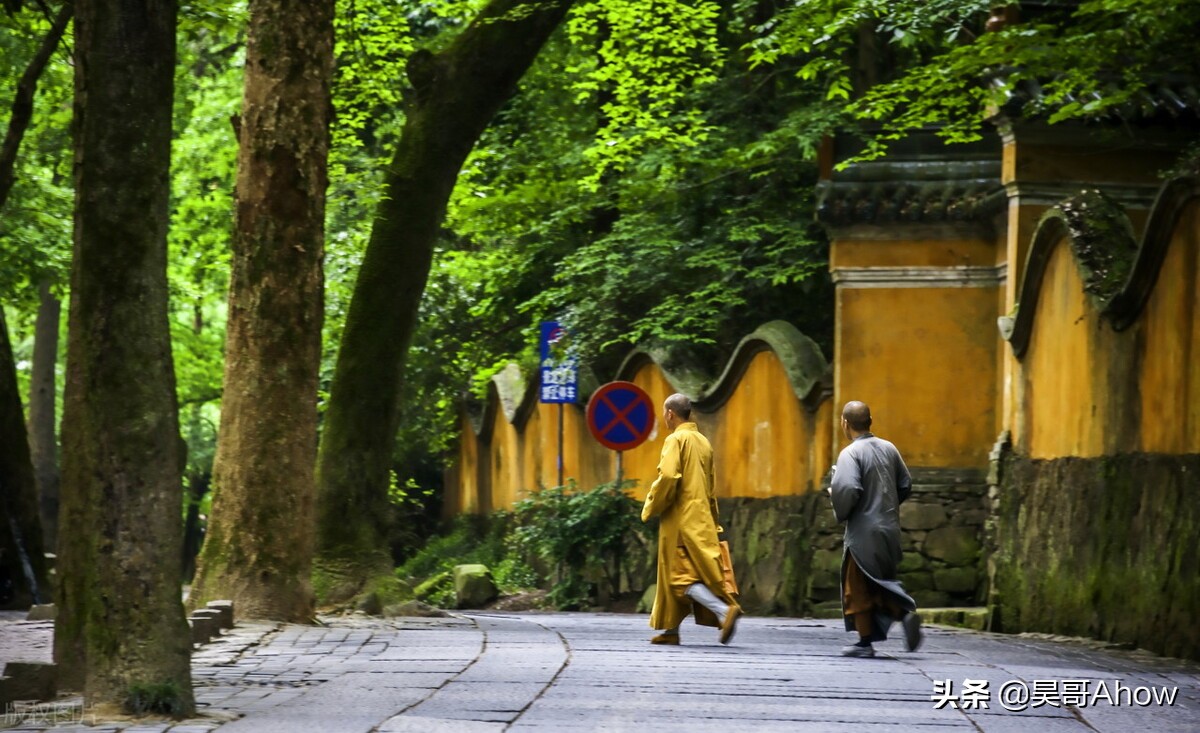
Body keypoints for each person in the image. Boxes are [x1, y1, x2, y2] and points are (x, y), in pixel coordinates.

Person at [640, 393, 741, 645]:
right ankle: (670, 631)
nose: (664, 417)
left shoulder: (675, 440)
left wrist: (651, 504)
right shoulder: (703, 441)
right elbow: (710, 486)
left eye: (664, 413)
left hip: (681, 520)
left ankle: (723, 611)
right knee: (689, 571)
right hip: (702, 517)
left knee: (678, 577)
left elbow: (668, 477)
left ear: (670, 414)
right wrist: (713, 519)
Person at [829, 400, 923, 657]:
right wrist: (886, 504)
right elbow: (905, 484)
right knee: (878, 581)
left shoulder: (850, 453)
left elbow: (848, 489)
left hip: (863, 531)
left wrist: (838, 501)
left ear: (845, 423)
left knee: (856, 585)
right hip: (889, 526)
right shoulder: (889, 448)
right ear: (870, 421)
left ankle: (870, 638)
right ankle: (898, 618)